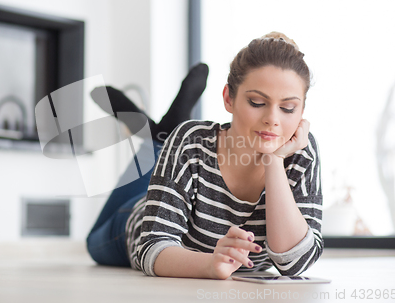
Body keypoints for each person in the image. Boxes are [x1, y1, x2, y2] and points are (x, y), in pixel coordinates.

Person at [86, 32, 322, 280]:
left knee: (164, 146)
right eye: (256, 102)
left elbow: (295, 263)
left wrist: (274, 161)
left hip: (181, 181)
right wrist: (210, 264)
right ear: (228, 98)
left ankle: (158, 138)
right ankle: (156, 141)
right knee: (93, 242)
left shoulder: (300, 152)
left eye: (288, 108)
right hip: (136, 222)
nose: (272, 119)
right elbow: (151, 246)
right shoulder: (192, 142)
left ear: (302, 111)